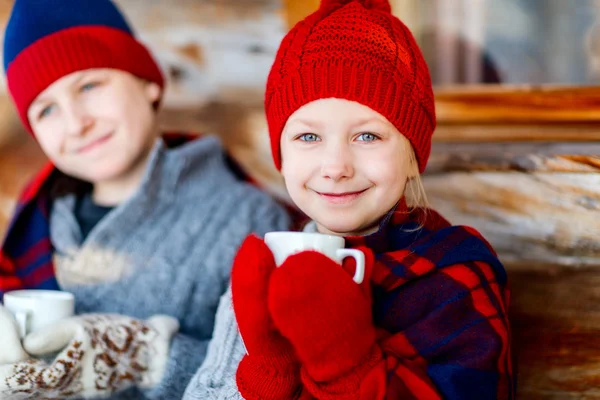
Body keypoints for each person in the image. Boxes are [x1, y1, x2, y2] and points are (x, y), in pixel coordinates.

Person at [184, 0, 514, 398]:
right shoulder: (265, 271)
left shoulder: (454, 273)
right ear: (282, 156)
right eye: (308, 137)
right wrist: (270, 371)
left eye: (367, 136)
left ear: (412, 157)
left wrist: (349, 368)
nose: (335, 166)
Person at [0, 0, 289, 398]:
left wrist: (146, 357)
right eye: (47, 110)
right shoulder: (36, 222)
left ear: (148, 81)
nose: (76, 124)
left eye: (88, 86)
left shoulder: (247, 218)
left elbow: (265, 379)